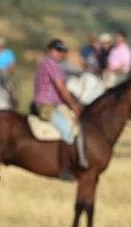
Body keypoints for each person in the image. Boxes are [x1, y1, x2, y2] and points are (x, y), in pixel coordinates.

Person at [34, 39, 87, 169]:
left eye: (63, 51)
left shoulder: (45, 63)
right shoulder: (53, 64)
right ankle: (65, 166)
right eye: (58, 50)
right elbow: (61, 88)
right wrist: (73, 105)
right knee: (68, 131)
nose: (61, 54)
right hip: (48, 106)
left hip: (50, 103)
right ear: (49, 50)